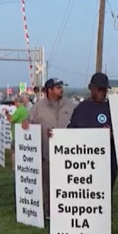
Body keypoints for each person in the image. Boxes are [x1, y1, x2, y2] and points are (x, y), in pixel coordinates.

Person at [22, 78, 76, 220]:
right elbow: (29, 123)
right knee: (47, 185)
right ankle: (49, 211)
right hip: (46, 154)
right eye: (58, 87)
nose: (61, 90)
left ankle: (67, 210)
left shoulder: (70, 105)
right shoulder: (38, 107)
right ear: (49, 90)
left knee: (67, 184)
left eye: (61, 87)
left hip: (68, 154)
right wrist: (26, 124)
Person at [67, 72, 117, 191]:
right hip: (85, 163)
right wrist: (56, 137)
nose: (102, 93)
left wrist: (112, 134)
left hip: (107, 162)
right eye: (99, 89)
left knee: (105, 194)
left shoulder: (112, 107)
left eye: (105, 89)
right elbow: (70, 132)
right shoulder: (81, 108)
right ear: (90, 88)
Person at [5, 95, 29, 171]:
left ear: (17, 102)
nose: (15, 104)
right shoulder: (25, 110)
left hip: (17, 134)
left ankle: (15, 167)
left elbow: (12, 120)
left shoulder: (19, 110)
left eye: (15, 103)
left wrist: (7, 114)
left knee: (13, 151)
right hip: (23, 133)